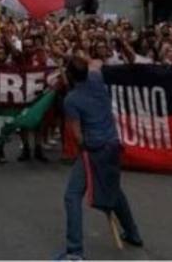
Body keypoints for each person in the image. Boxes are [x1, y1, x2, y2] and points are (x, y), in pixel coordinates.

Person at [58, 55, 142, 260]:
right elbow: (96, 62)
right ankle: (133, 233)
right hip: (112, 144)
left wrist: (84, 147)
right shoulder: (96, 79)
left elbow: (77, 135)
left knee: (72, 195)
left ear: (69, 76)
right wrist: (74, 57)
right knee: (115, 190)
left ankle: (75, 251)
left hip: (94, 148)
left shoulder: (72, 99)